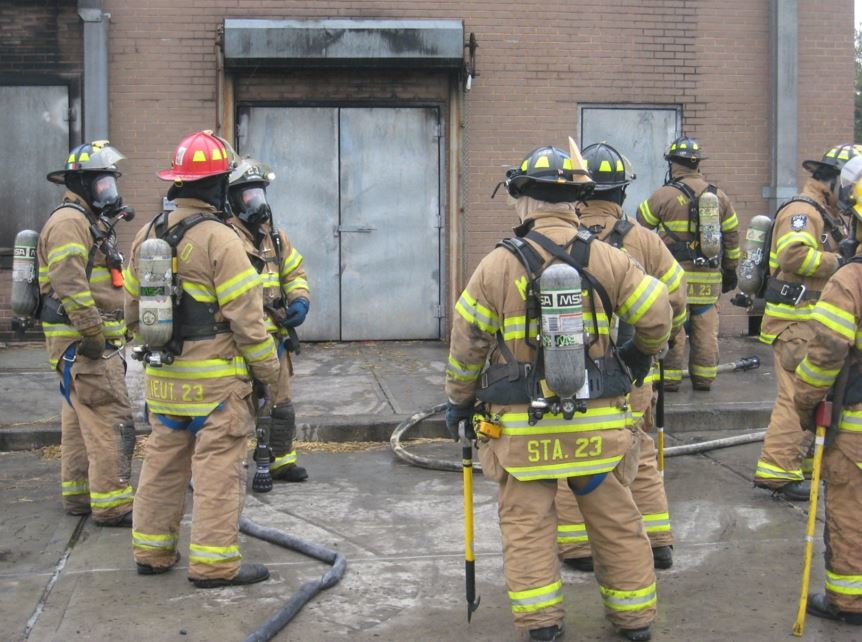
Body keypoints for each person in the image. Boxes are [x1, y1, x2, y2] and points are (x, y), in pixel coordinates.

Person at [445, 144, 672, 642]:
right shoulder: (610, 258)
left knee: (527, 526)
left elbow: (467, 346)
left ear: (524, 198)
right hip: (599, 427)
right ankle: (635, 621)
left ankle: (542, 625)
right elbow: (658, 315)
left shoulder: (496, 265)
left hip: (522, 430)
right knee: (616, 521)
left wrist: (459, 401)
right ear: (575, 200)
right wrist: (638, 356)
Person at [125, 130, 280, 587]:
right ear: (217, 186)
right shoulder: (221, 239)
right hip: (216, 390)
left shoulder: (147, 234)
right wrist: (269, 375)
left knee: (161, 467)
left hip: (164, 383)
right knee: (217, 473)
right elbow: (248, 323)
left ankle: (151, 552)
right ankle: (214, 564)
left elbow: (131, 310)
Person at [554, 142, 686, 573]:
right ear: (623, 192)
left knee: (570, 450)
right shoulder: (644, 240)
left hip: (571, 372)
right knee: (638, 449)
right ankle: (657, 541)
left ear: (578, 191)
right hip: (632, 372)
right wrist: (652, 346)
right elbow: (676, 299)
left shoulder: (556, 239)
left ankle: (578, 547)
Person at [753, 144, 862, 500]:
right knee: (795, 396)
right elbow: (793, 255)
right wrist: (841, 262)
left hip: (807, 323)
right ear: (834, 180)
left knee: (811, 395)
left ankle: (799, 464)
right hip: (795, 322)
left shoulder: (826, 212)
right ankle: (778, 471)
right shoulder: (803, 211)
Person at [40, 140, 135, 526]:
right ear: (81, 184)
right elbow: (70, 284)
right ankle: (113, 504)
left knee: (81, 421)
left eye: (111, 184)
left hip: (76, 347)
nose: (109, 193)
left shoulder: (86, 221)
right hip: (86, 346)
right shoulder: (70, 223)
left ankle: (79, 494)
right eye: (102, 185)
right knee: (112, 419)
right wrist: (94, 334)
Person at [792, 153, 862, 625]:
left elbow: (827, 350)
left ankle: (850, 601)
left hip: (856, 426)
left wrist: (806, 400)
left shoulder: (851, 278)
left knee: (852, 511)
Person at [227, 157, 310, 482]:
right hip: (237, 339)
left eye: (259, 193)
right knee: (236, 409)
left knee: (280, 405)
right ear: (233, 199)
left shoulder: (274, 237)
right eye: (249, 195)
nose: (256, 202)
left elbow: (294, 272)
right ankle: (224, 470)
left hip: (275, 337)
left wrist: (300, 299)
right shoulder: (226, 238)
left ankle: (280, 461)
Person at [637, 135, 740, 391]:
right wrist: (730, 270)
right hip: (709, 280)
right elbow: (732, 236)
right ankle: (704, 379)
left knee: (674, 329)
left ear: (673, 164)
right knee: (705, 331)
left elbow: (640, 224)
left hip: (675, 280)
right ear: (697, 164)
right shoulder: (719, 197)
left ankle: (669, 380)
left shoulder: (664, 195)